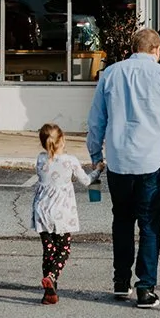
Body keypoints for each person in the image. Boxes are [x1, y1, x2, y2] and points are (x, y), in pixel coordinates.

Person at [87, 27, 160, 309]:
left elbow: (96, 119)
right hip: (152, 162)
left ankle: (120, 280)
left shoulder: (110, 74)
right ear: (156, 50)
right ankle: (145, 287)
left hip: (119, 161)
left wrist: (95, 153)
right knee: (149, 225)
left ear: (133, 48)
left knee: (122, 220)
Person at [32, 123, 103, 305]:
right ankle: (52, 276)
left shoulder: (40, 159)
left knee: (48, 252)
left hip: (42, 213)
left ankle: (49, 292)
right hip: (62, 214)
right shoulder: (70, 161)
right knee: (63, 249)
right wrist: (98, 170)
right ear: (62, 140)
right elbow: (86, 181)